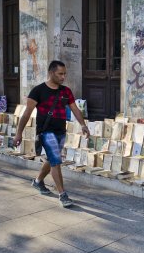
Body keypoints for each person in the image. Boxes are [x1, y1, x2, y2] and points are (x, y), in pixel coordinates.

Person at [13, 60, 90, 207]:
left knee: (51, 159)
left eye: (64, 74)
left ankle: (38, 181)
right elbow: (26, 114)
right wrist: (19, 134)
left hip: (61, 131)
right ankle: (63, 195)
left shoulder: (66, 91)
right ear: (51, 73)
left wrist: (83, 125)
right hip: (45, 131)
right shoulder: (38, 91)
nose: (63, 77)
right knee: (56, 160)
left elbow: (74, 108)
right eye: (60, 74)